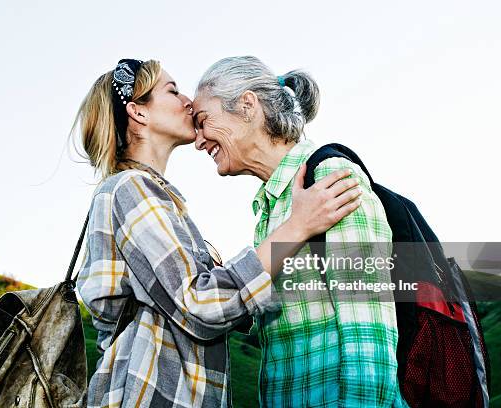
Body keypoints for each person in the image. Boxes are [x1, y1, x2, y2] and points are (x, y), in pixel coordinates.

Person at [73, 58, 362, 407]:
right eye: (172, 90)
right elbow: (199, 305)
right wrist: (297, 227)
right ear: (139, 113)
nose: (187, 102)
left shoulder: (156, 198)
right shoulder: (131, 189)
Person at [193, 56, 408, 407]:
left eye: (203, 122)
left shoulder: (329, 178)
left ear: (247, 106)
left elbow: (369, 333)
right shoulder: (270, 210)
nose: (198, 141)